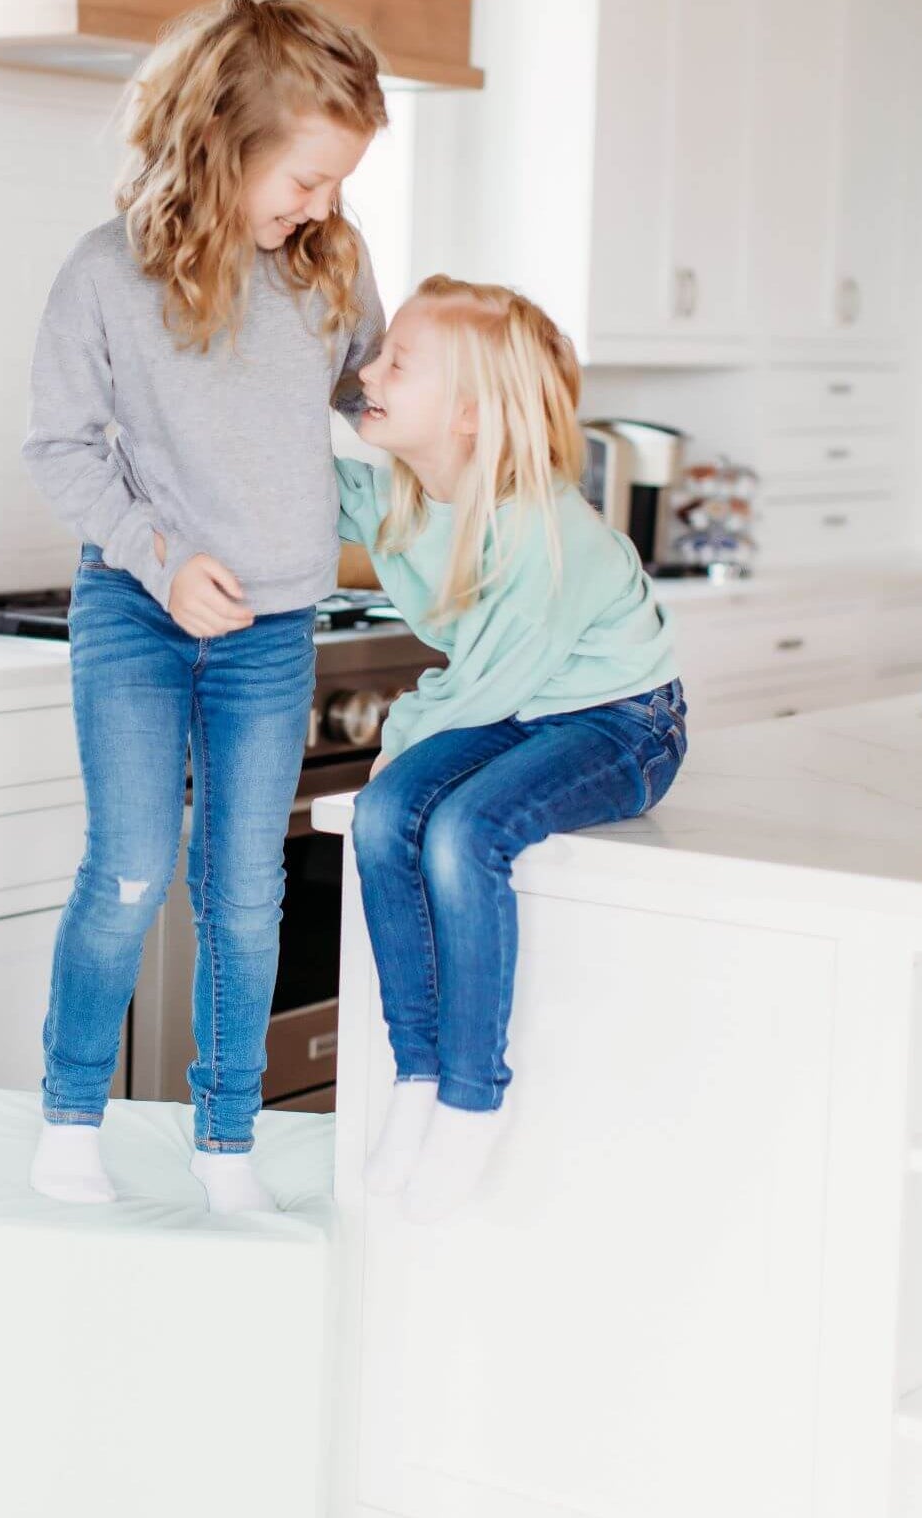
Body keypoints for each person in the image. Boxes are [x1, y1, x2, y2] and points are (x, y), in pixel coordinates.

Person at [21, 0, 387, 1213]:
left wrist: (456, 428)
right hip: (136, 613)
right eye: (309, 176)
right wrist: (157, 551)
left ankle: (226, 1146)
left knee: (243, 893)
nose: (324, 205)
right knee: (128, 872)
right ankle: (69, 1120)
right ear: (227, 140)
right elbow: (60, 448)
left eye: (340, 182)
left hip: (272, 632)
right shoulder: (105, 275)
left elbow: (370, 399)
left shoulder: (330, 267)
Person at [337, 276, 687, 1223]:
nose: (369, 369)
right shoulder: (405, 496)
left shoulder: (541, 531)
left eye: (394, 361)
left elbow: (480, 688)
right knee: (379, 820)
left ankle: (469, 1097)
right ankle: (415, 1073)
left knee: (461, 832)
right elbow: (291, 474)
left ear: (465, 414)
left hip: (620, 722)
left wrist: (394, 738)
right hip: (518, 706)